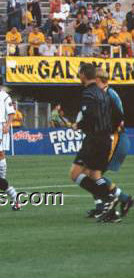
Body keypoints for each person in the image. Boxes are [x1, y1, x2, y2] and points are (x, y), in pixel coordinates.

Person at [69, 63, 122, 222]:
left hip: (94, 139)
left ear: (84, 75)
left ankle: (109, 198)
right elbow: (118, 116)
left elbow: (89, 116)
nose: (79, 76)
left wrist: (78, 125)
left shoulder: (88, 93)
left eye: (79, 73)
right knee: (94, 175)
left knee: (75, 174)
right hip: (106, 138)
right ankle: (112, 212)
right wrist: (108, 128)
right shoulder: (103, 93)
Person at [91, 69, 133, 220]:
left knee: (94, 174)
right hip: (110, 137)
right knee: (92, 173)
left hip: (115, 138)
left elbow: (119, 118)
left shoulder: (109, 94)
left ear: (98, 79)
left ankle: (123, 200)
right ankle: (102, 206)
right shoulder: (103, 94)